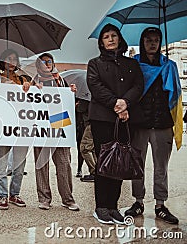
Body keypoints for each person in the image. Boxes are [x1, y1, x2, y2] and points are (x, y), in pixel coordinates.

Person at [87, 23, 143, 225]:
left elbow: (138, 86)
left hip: (125, 119)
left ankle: (113, 206)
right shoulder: (95, 63)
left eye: (114, 35)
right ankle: (101, 207)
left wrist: (126, 103)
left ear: (120, 38)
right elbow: (95, 86)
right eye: (106, 37)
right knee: (104, 162)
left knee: (120, 162)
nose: (110, 39)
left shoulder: (132, 64)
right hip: (103, 119)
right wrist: (117, 104)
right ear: (101, 42)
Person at [125, 27, 181, 224]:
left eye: (156, 40)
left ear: (160, 42)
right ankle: (138, 202)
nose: (152, 43)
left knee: (161, 168)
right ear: (143, 42)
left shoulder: (170, 66)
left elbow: (175, 95)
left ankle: (160, 205)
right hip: (139, 125)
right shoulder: (134, 65)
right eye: (148, 39)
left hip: (163, 124)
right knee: (137, 166)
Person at [29, 53, 79, 211]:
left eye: (49, 61)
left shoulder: (61, 80)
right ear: (38, 66)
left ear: (53, 63)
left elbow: (68, 102)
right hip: (41, 125)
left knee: (64, 163)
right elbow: (26, 101)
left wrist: (71, 93)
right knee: (41, 165)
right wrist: (28, 89)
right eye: (42, 62)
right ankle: (44, 199)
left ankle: (68, 198)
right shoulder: (33, 81)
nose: (46, 64)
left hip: (59, 123)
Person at [0, 49, 31, 210]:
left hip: (22, 125)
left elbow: (37, 96)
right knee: (1, 164)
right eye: (8, 58)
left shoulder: (24, 78)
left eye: (14, 58)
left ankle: (14, 194)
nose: (11, 61)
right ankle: (2, 195)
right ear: (2, 61)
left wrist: (30, 86)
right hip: (3, 125)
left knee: (19, 164)